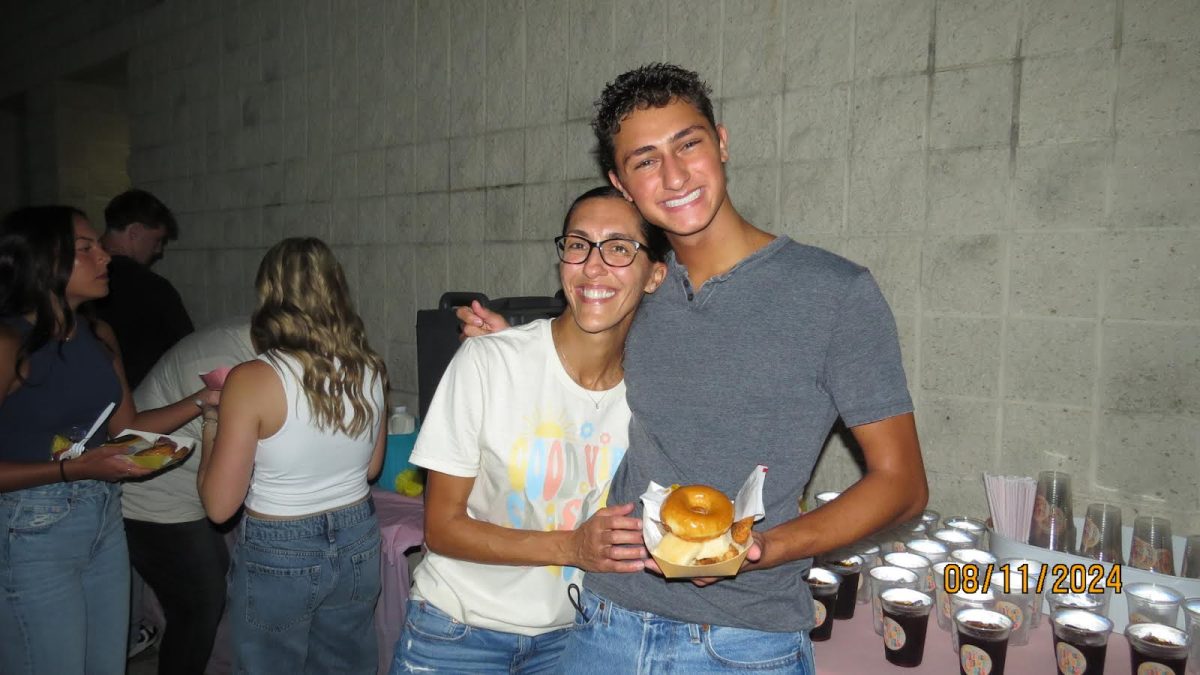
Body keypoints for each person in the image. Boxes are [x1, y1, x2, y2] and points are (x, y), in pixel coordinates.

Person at [459, 63, 929, 672]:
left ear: (722, 142)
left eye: (689, 144)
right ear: (621, 184)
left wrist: (760, 547)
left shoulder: (835, 293)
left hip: (744, 641)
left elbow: (903, 485)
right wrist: (512, 344)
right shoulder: (643, 291)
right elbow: (575, 351)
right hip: (606, 624)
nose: (675, 175)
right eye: (646, 159)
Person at [390, 186, 669, 673]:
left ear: (654, 276)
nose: (593, 265)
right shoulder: (489, 361)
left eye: (620, 248)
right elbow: (441, 527)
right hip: (458, 631)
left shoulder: (654, 396)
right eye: (579, 244)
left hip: (576, 640)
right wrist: (571, 546)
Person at [0, 205, 219, 674]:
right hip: (32, 527)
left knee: (106, 664)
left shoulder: (99, 335)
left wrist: (203, 399)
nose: (105, 257)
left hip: (102, 518)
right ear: (44, 259)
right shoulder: (8, 344)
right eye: (87, 248)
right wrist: (73, 468)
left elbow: (125, 429)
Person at [197, 237, 388, 674]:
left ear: (270, 296)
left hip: (281, 546)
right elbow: (372, 467)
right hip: (357, 535)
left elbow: (218, 505)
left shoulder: (253, 378)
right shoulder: (370, 366)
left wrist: (212, 420)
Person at [122, 318, 256, 675]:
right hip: (151, 494)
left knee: (203, 599)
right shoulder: (224, 362)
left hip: (182, 489)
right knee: (201, 603)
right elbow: (232, 464)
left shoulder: (250, 347)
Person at [94, 188, 193, 389]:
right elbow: (187, 351)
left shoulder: (71, 284)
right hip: (141, 399)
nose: (158, 250)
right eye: (157, 240)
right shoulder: (154, 288)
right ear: (134, 232)